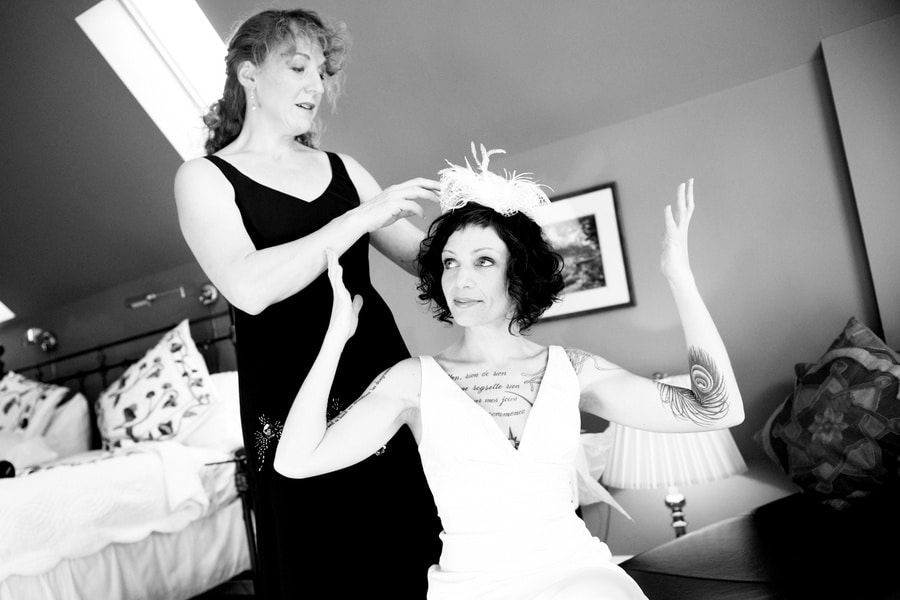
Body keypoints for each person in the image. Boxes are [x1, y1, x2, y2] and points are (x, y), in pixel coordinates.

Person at [274, 144, 744, 599]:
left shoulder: (571, 370)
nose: (460, 280)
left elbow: (718, 409)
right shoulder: (413, 382)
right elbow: (295, 461)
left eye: (483, 261)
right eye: (450, 263)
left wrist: (681, 279)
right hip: (475, 588)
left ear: (518, 273)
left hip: (578, 577)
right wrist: (335, 339)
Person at [173, 8, 442, 599]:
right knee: (322, 565)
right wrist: (360, 218)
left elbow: (427, 264)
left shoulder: (345, 171)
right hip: (289, 398)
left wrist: (491, 239)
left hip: (377, 377)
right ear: (248, 74)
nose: (316, 85)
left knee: (413, 551)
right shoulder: (204, 178)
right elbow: (248, 287)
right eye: (298, 67)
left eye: (322, 72)